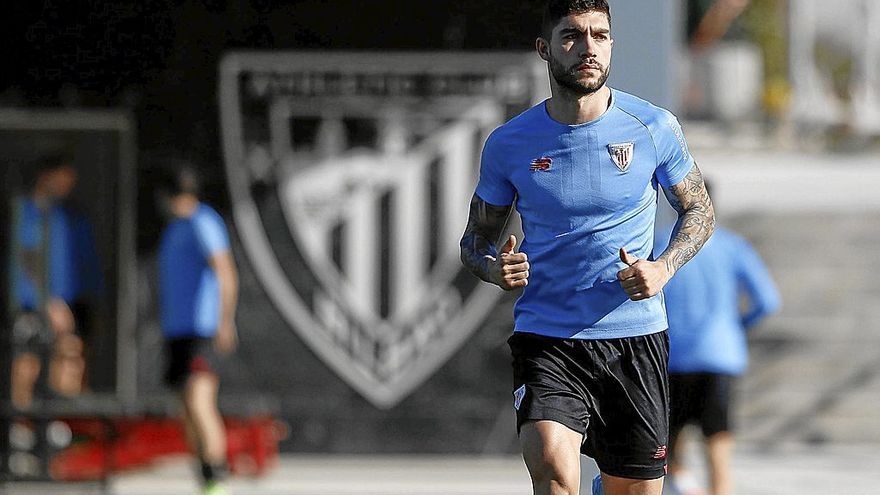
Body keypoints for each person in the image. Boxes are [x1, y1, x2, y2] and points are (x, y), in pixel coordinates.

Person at [458, 2, 715, 494]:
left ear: (612, 45)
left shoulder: (653, 127)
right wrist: (494, 269)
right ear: (545, 49)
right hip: (548, 339)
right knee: (554, 471)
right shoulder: (509, 143)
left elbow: (699, 211)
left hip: (635, 342)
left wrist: (663, 269)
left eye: (600, 35)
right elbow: (474, 242)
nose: (588, 47)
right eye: (572, 36)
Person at [656, 184, 780, 495]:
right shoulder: (733, 246)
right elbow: (767, 300)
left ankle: (684, 488)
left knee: (666, 452)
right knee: (718, 447)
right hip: (720, 354)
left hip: (673, 357)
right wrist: (737, 326)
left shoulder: (659, 246)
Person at [157, 164, 239, 495]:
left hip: (201, 331)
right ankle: (205, 477)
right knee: (186, 407)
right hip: (176, 331)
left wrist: (225, 320)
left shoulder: (203, 222)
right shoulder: (173, 230)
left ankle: (218, 480)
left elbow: (226, 271)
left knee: (200, 400)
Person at [9, 156, 95, 409]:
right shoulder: (24, 212)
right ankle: (20, 425)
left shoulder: (68, 216)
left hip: (70, 305)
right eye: (62, 177)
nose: (68, 184)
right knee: (26, 361)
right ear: (45, 175)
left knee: (68, 355)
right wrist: (47, 301)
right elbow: (24, 259)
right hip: (33, 307)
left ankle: (62, 420)